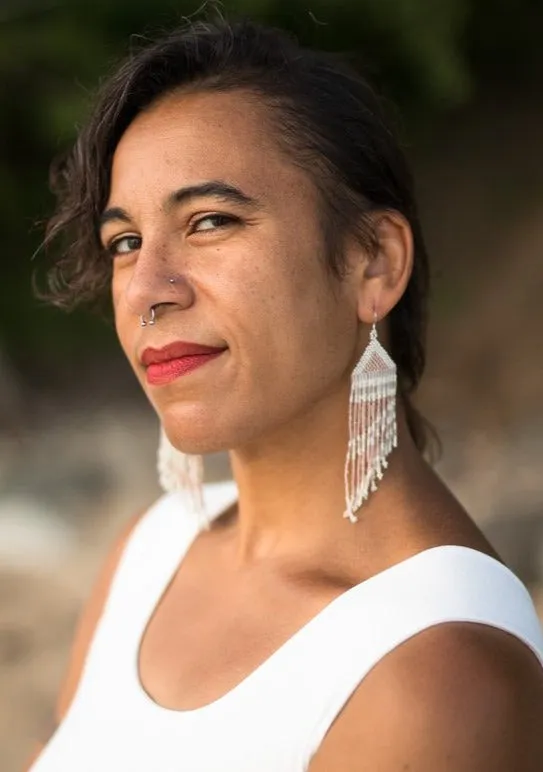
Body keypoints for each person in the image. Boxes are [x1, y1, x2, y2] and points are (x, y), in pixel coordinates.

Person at [27, 15, 543, 772]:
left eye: (208, 221)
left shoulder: (436, 670)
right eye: (125, 242)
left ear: (373, 263)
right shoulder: (149, 555)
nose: (145, 289)